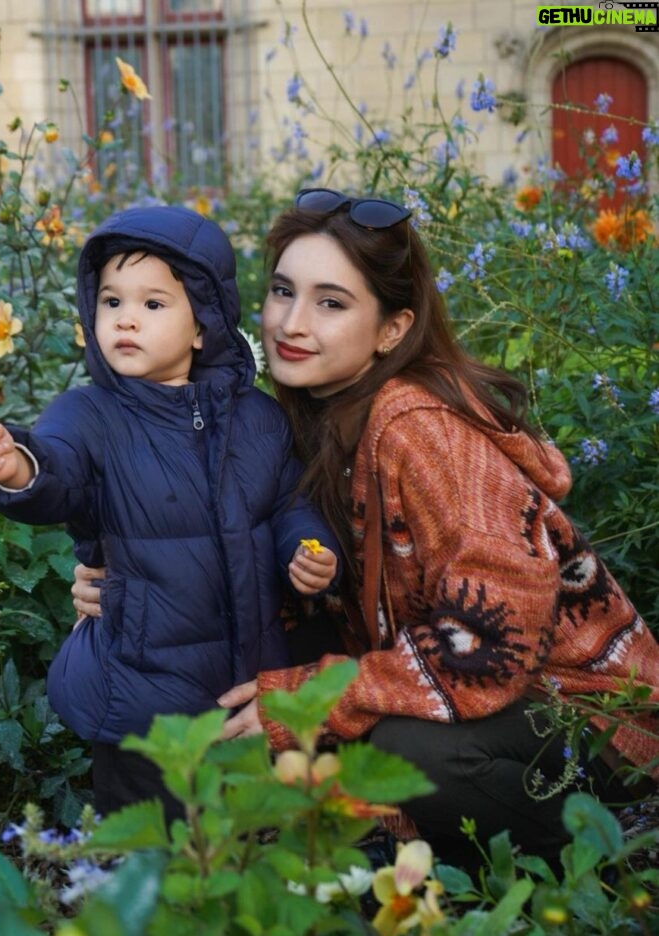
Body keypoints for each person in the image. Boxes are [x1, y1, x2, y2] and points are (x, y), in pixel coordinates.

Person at [71, 189, 659, 874]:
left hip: (586, 719)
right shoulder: (302, 417)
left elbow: (494, 641)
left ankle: (593, 856)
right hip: (455, 685)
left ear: (390, 329)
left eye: (331, 303)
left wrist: (309, 700)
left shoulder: (421, 434)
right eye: (282, 291)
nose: (291, 323)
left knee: (398, 754)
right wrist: (128, 580)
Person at [0, 204, 339, 822]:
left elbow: (292, 501)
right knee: (147, 838)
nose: (126, 319)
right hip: (139, 685)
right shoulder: (91, 416)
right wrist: (19, 466)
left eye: (153, 304)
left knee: (240, 831)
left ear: (202, 327)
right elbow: (59, 469)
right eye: (111, 302)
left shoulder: (259, 419)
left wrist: (311, 550)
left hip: (244, 674)